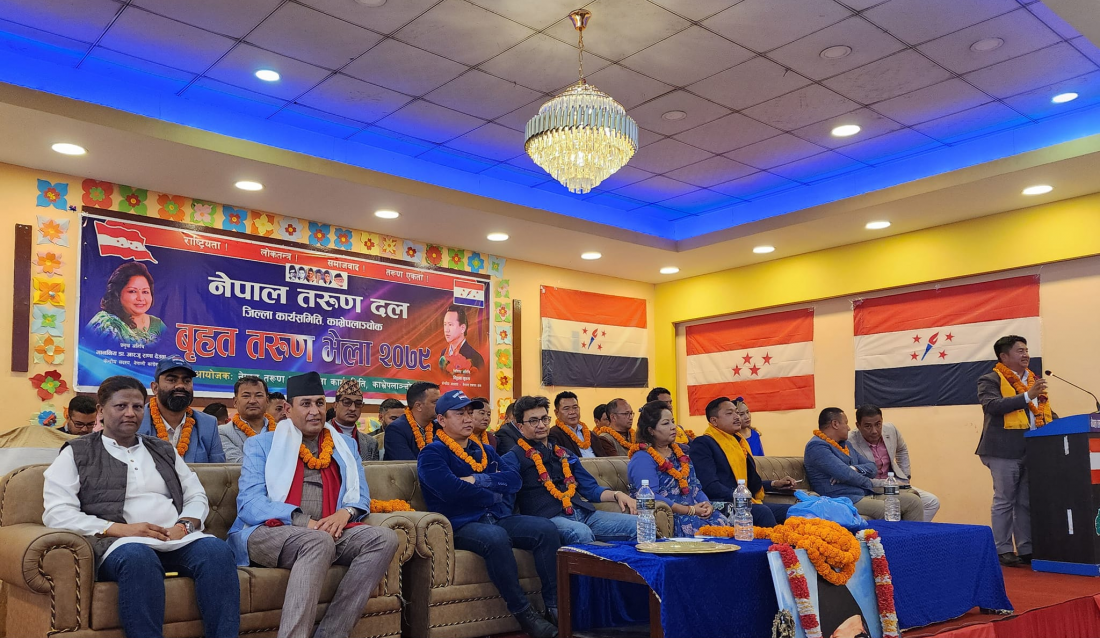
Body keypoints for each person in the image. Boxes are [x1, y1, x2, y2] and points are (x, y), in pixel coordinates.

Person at [43, 375, 239, 638]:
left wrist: (184, 525)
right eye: (121, 406)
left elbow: (195, 494)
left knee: (217, 551)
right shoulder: (76, 452)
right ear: (101, 410)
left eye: (137, 406)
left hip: (174, 539)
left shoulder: (162, 449)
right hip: (119, 545)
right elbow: (56, 512)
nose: (130, 413)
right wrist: (120, 529)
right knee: (139, 558)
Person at [228, 372, 399, 638]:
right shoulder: (261, 444)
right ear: (288, 409)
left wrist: (346, 512)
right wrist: (302, 521)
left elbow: (360, 495)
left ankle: (331, 634)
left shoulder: (345, 445)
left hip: (329, 530)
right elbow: (250, 503)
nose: (315, 411)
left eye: (319, 403)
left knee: (384, 538)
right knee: (318, 541)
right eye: (305, 404)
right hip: (270, 530)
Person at [418, 390, 560, 638]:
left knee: (545, 529)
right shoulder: (432, 453)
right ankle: (524, 614)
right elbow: (451, 490)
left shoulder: (484, 450)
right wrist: (493, 494)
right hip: (461, 524)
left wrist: (478, 480)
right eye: (459, 414)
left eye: (469, 412)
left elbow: (514, 481)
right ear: (441, 420)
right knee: (495, 537)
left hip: (497, 518)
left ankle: (554, 607)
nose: (468, 419)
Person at [504, 395, 637, 544]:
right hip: (549, 520)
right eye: (533, 421)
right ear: (520, 427)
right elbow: (507, 505)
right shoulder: (513, 458)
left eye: (544, 419)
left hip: (583, 513)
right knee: (580, 532)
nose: (541, 425)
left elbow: (590, 488)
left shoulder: (565, 453)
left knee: (638, 525)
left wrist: (618, 494)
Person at [976, 335, 1054, 567]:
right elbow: (992, 406)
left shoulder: (1032, 380)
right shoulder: (990, 379)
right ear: (1004, 356)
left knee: (1025, 501)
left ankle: (1027, 548)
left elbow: (1043, 412)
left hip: (1032, 449)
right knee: (1005, 500)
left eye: (1026, 350)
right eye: (1020, 351)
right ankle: (1003, 549)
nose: (1026, 355)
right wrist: (1028, 396)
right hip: (1003, 450)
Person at [628, 401, 728, 537]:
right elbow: (650, 496)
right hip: (671, 515)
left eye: (673, 422)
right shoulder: (642, 458)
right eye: (666, 423)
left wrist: (706, 505)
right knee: (699, 528)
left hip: (694, 511)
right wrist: (689, 510)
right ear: (651, 430)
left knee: (723, 522)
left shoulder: (680, 454)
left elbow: (695, 487)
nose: (673, 427)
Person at [691, 397, 794, 527]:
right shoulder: (703, 443)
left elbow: (745, 483)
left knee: (792, 510)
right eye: (730, 413)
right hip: (719, 503)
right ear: (714, 421)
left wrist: (774, 484)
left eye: (736, 412)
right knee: (762, 512)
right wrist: (741, 496)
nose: (736, 417)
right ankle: (776, 541)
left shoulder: (739, 442)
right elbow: (709, 485)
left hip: (742, 500)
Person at [804, 408, 922, 521]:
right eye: (846, 423)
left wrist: (855, 468)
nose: (849, 428)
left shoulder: (845, 444)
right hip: (842, 499)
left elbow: (872, 467)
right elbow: (846, 475)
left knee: (913, 501)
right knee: (887, 509)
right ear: (835, 424)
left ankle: (915, 535)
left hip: (863, 493)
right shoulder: (817, 446)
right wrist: (870, 483)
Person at [848, 405, 940, 522]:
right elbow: (856, 475)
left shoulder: (891, 430)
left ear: (882, 421)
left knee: (932, 502)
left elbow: (902, 450)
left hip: (894, 482)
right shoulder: (850, 441)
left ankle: (911, 529)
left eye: (878, 424)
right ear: (858, 426)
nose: (874, 430)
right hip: (871, 488)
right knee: (901, 506)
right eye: (868, 426)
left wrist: (906, 476)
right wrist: (887, 484)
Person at [139, 357, 225, 463]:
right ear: (155, 388)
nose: (180, 386)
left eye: (186, 381)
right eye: (172, 380)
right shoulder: (137, 421)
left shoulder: (208, 425)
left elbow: (218, 470)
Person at [87, 261, 166, 345]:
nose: (140, 298)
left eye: (145, 292)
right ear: (117, 294)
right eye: (132, 291)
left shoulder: (157, 324)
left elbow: (172, 349)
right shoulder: (105, 324)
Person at [218, 376, 276, 464]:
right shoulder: (223, 432)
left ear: (267, 401)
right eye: (246, 396)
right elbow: (238, 463)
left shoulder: (282, 430)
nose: (252, 401)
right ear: (235, 402)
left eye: (259, 395)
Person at [384, 381, 440, 460]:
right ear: (419, 406)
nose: (440, 405)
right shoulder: (395, 430)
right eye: (435, 402)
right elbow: (407, 464)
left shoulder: (438, 427)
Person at [548, 391, 614, 458]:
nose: (572, 412)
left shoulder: (591, 435)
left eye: (575, 407)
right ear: (556, 413)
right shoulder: (554, 435)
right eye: (566, 409)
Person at [330, 379, 380, 461]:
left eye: (358, 404)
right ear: (335, 406)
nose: (353, 408)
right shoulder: (319, 435)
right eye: (347, 402)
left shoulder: (371, 443)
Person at [440, 304, 485, 373]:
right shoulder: (443, 353)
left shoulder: (475, 357)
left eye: (450, 324)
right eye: (445, 324)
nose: (446, 330)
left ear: (462, 328)